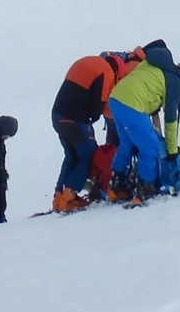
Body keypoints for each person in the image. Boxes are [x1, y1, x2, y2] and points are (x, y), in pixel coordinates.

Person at [50, 49, 140, 211]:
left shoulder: (89, 61)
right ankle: (69, 196)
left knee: (71, 155)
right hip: (74, 119)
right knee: (88, 154)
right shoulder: (106, 72)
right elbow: (98, 106)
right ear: (117, 70)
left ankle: (58, 197)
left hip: (57, 115)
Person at [106, 40, 180, 199]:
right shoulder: (175, 82)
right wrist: (172, 151)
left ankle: (115, 186)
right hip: (132, 104)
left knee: (127, 143)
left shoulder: (152, 64)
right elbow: (170, 120)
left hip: (115, 99)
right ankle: (144, 189)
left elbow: (146, 89)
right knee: (151, 147)